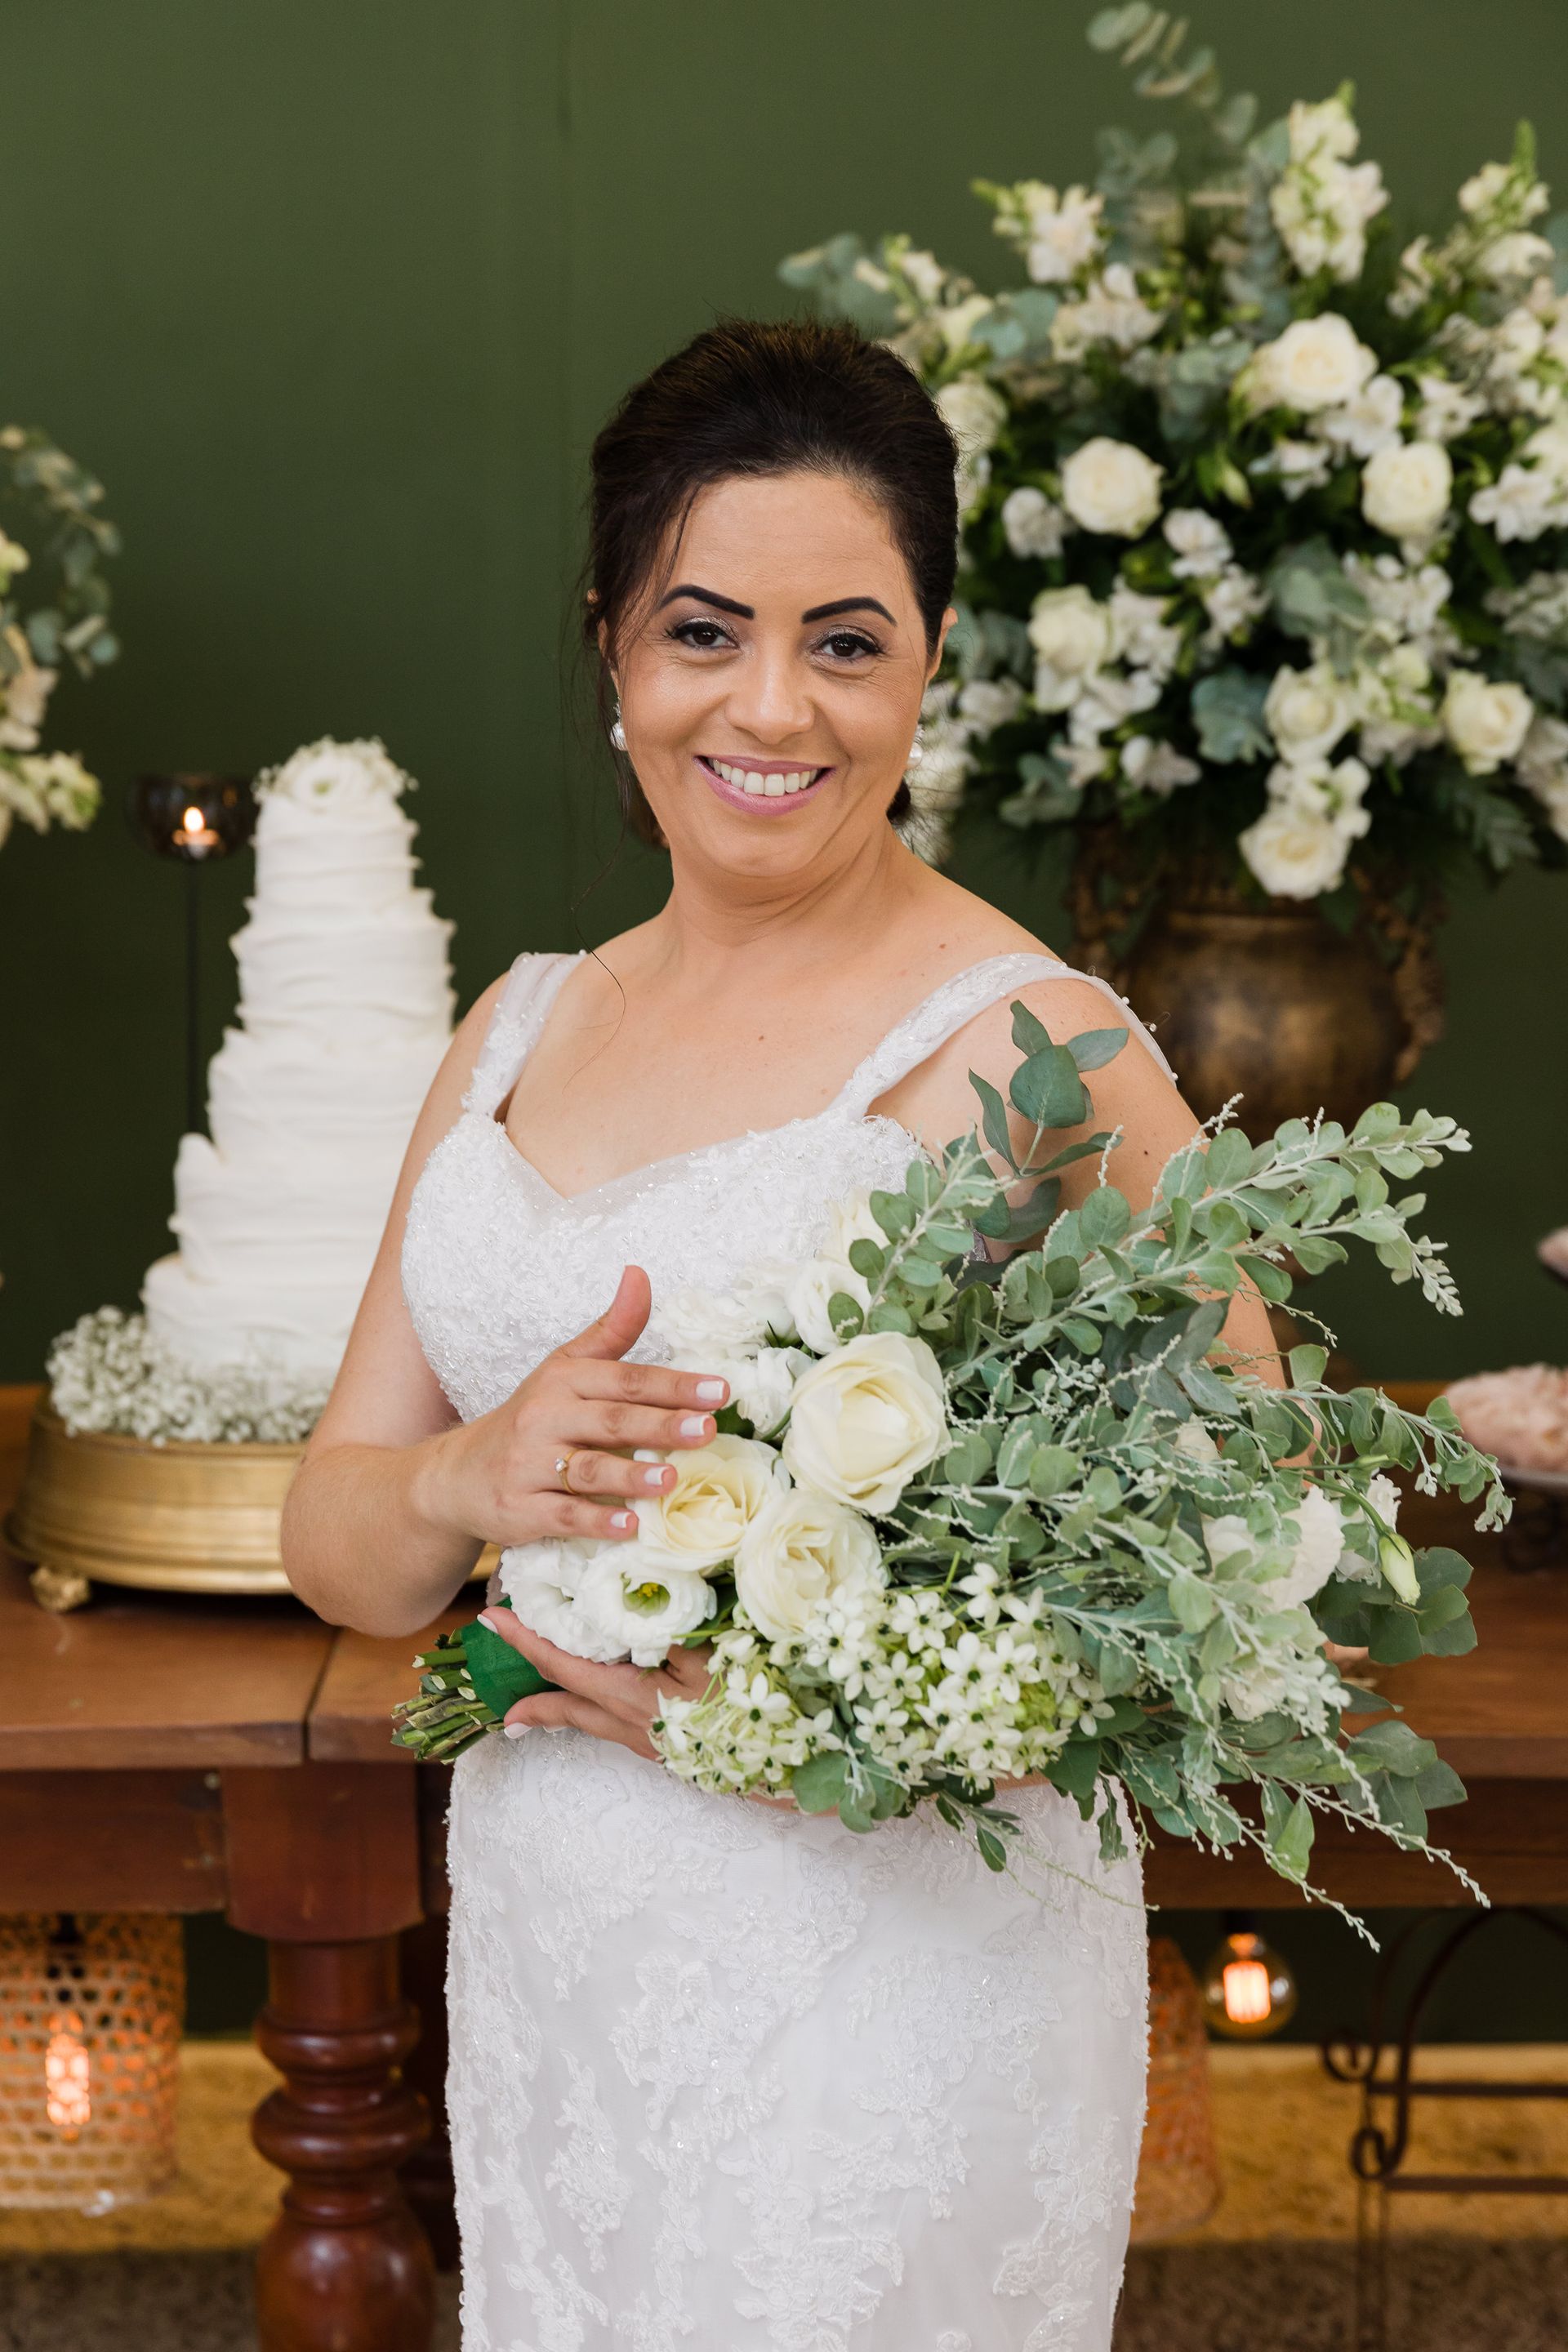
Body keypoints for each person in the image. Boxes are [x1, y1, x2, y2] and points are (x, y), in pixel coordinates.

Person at [283, 316, 1276, 2351]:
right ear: (611, 649)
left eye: (846, 640)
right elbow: (344, 1548)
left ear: (930, 665)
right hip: (568, 1953)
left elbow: (1256, 1552)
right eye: (704, 630)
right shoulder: (519, 1027)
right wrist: (476, 1474)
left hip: (894, 1962)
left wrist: (838, 1731)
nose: (770, 707)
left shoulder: (1035, 1044)